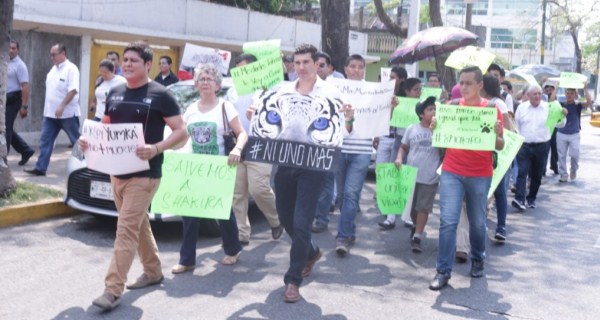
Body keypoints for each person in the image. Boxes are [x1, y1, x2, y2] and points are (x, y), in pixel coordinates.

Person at [83, 41, 188, 311]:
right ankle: (153, 270)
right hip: (117, 173)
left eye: (134, 60)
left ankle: (112, 290)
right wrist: (90, 142)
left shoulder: (160, 94)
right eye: (125, 60)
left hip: (145, 175)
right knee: (137, 224)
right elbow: (105, 128)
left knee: (125, 230)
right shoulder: (115, 93)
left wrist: (156, 148)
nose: (127, 64)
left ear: (148, 65)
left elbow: (181, 132)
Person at [270, 44, 351, 303]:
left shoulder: (330, 92)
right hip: (286, 161)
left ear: (317, 64)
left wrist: (348, 118)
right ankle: (312, 252)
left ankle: (293, 280)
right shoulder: (283, 90)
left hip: (314, 164)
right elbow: (272, 122)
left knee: (302, 221)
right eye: (297, 62)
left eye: (306, 62)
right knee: (286, 217)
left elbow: (343, 131)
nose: (301, 67)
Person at [429, 66, 504, 291]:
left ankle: (478, 258)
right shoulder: (452, 107)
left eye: (469, 83)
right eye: (461, 83)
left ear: (480, 85)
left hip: (480, 174)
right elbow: (441, 140)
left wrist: (498, 134)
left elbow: (499, 146)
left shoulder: (491, 109)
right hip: (451, 170)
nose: (464, 87)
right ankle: (442, 271)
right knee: (448, 221)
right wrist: (435, 129)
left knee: (477, 222)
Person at [171, 63, 246, 275]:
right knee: (189, 214)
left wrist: (238, 149)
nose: (204, 82)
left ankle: (233, 249)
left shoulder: (225, 107)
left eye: (209, 79)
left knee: (222, 212)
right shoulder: (191, 109)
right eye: (201, 79)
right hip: (195, 169)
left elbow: (241, 133)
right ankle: (187, 260)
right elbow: (184, 138)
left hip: (218, 169)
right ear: (196, 85)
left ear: (217, 85)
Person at [225, 53, 283, 246]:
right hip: (237, 145)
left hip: (261, 144)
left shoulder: (267, 90)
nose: (242, 73)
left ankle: (275, 221)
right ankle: (242, 233)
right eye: (239, 69)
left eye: (245, 69)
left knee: (258, 188)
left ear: (254, 69)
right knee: (238, 192)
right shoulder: (232, 91)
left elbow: (277, 118)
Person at [330, 54, 371, 256]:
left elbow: (380, 118)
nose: (356, 70)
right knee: (343, 195)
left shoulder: (372, 91)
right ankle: (350, 230)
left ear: (364, 69)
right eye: (352, 66)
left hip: (361, 150)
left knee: (350, 193)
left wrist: (389, 108)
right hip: (339, 147)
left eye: (360, 67)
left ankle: (342, 236)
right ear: (345, 68)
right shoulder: (335, 90)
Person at [25, 43, 81, 176]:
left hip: (67, 114)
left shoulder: (71, 69)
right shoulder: (52, 70)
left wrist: (62, 105)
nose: (51, 57)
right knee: (45, 141)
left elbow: (73, 91)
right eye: (50, 54)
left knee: (77, 142)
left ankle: (85, 167)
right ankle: (40, 168)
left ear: (63, 54)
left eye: (53, 54)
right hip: (50, 115)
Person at [395, 96, 441, 253]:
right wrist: (399, 157)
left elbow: (444, 151)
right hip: (412, 174)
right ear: (421, 114)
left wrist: (437, 132)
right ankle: (415, 226)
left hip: (430, 176)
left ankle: (418, 236)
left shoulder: (440, 129)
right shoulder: (412, 129)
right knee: (413, 207)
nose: (434, 112)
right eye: (430, 109)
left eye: (435, 109)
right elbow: (403, 147)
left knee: (423, 207)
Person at [511, 85, 566, 211]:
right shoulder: (521, 108)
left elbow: (560, 124)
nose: (537, 96)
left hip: (542, 146)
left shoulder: (548, 108)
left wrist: (563, 115)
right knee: (522, 172)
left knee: (537, 175)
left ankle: (531, 198)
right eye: (534, 94)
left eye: (539, 93)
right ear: (528, 95)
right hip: (524, 146)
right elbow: (517, 125)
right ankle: (519, 199)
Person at [378, 77, 422, 230]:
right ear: (407, 91)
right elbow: (387, 122)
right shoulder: (398, 103)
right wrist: (392, 108)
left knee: (409, 180)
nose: (419, 93)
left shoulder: (423, 106)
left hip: (416, 145)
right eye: (416, 89)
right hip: (399, 142)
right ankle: (390, 217)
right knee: (394, 177)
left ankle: (408, 216)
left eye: (420, 90)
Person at [481, 75, 515, 242]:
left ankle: (501, 226)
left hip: (498, 153)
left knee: (500, 190)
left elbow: (506, 128)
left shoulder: (498, 103)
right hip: (484, 153)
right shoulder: (482, 102)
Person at [6, 39, 35, 166]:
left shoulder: (20, 65)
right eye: (9, 48)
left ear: (18, 50)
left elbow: (25, 87)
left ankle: (2, 158)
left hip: (14, 99)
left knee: (5, 129)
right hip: (4, 99)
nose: (11, 50)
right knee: (6, 128)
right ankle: (26, 150)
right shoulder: (5, 61)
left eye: (14, 48)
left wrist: (24, 106)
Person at [556, 85, 591, 182]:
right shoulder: (561, 104)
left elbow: (589, 102)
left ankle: (573, 169)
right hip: (561, 133)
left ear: (575, 95)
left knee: (575, 155)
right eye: (567, 93)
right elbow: (551, 100)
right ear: (565, 94)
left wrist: (585, 89)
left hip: (574, 134)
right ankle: (563, 175)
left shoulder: (577, 105)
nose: (569, 95)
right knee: (561, 155)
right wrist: (557, 86)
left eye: (571, 93)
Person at [543, 83, 559, 175]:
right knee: (545, 149)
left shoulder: (557, 99)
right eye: (547, 90)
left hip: (555, 127)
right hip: (546, 127)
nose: (548, 91)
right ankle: (543, 169)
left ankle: (554, 165)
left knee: (554, 148)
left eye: (550, 90)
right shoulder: (544, 99)